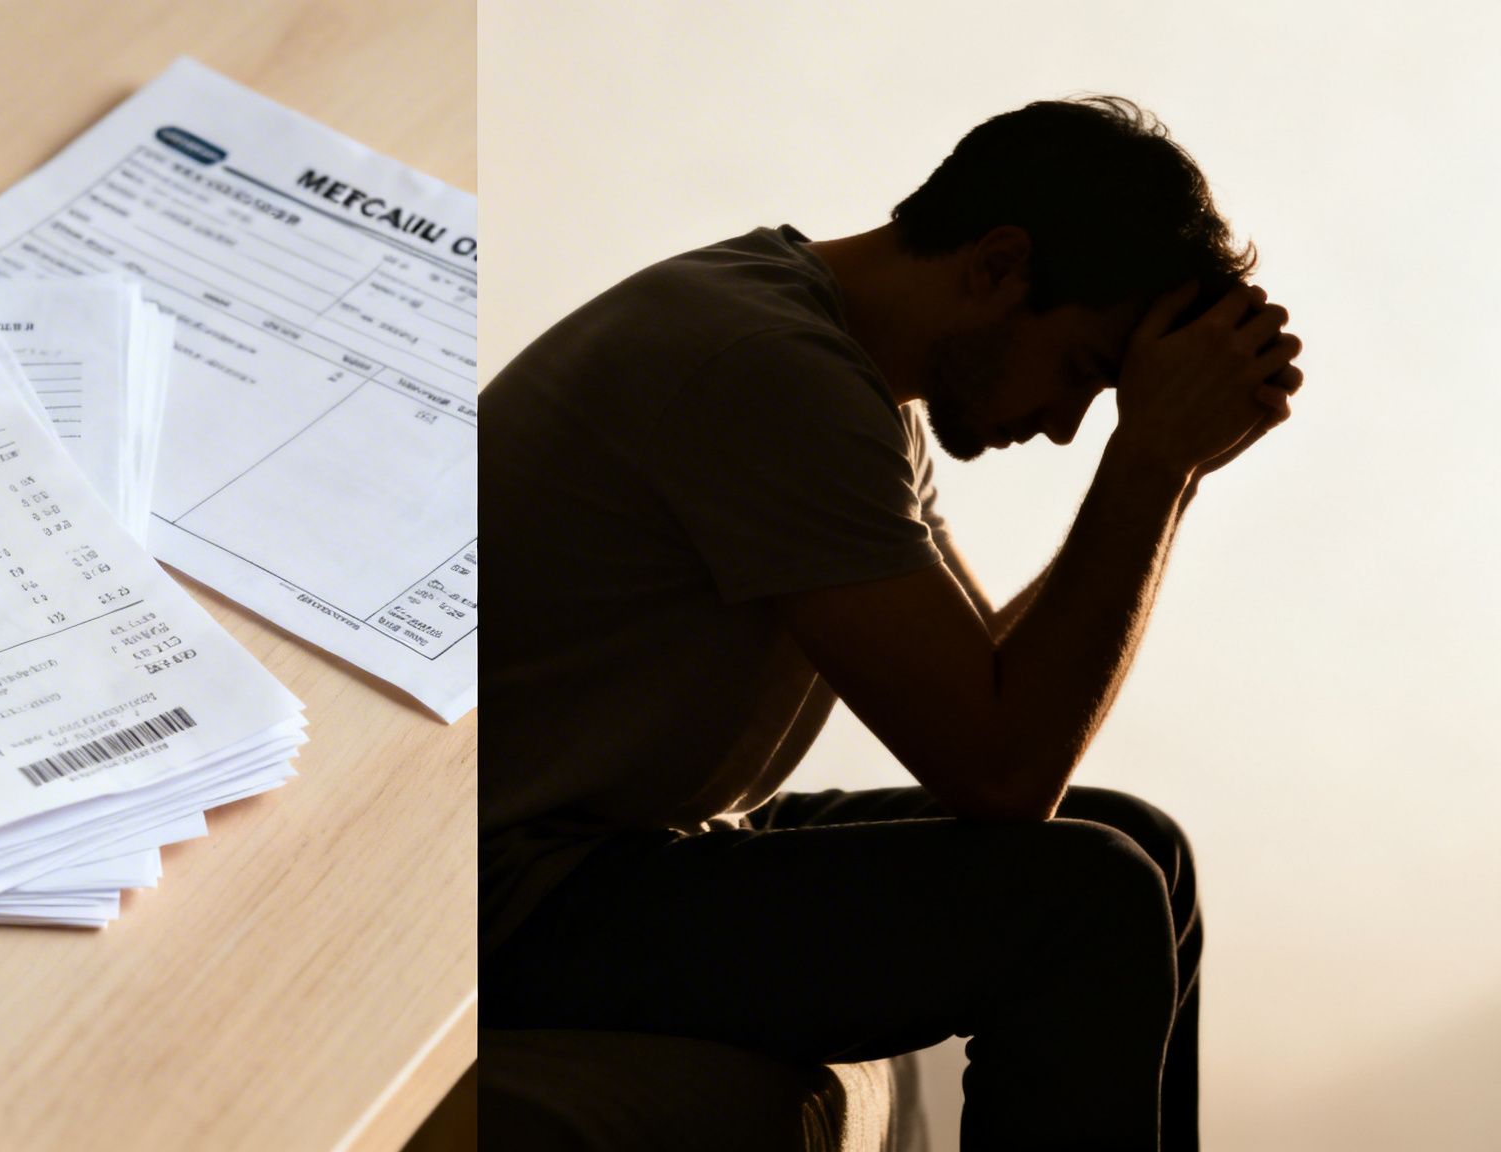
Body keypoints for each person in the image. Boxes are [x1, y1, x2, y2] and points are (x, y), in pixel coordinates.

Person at [479, 96, 1304, 1150]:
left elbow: (993, 689)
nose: (1061, 427)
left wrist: (1170, 469)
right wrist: (1148, 464)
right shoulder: (764, 366)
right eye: (1081, 372)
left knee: (1141, 842)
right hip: (513, 894)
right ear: (998, 264)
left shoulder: (852, 383)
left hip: (628, 845)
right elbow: (1000, 771)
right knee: (1087, 902)